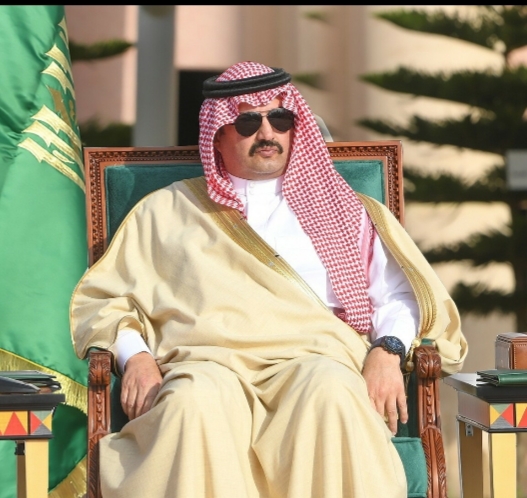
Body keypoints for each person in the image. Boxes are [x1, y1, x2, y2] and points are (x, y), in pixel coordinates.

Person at [70, 61, 467, 498]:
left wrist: (388, 352)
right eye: (247, 122)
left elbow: (398, 295)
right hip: (205, 362)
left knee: (332, 393)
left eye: (280, 119)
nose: (267, 133)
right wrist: (138, 358)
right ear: (217, 134)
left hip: (314, 359)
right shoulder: (166, 211)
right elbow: (107, 300)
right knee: (191, 404)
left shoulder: (344, 208)